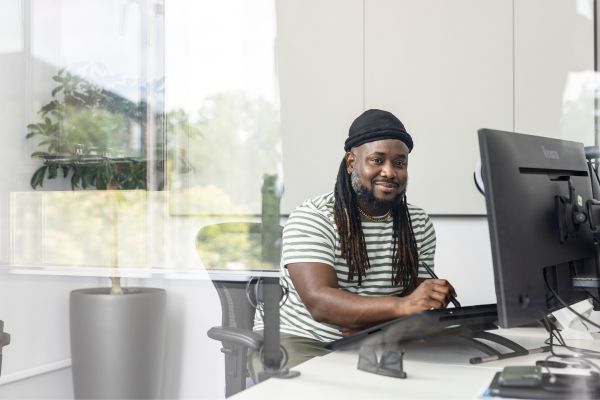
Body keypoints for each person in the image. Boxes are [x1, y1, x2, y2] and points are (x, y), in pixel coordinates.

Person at [250, 108, 456, 379]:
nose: (389, 172)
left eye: (400, 163)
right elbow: (320, 302)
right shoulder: (314, 217)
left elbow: (413, 297)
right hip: (303, 338)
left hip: (372, 336)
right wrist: (401, 307)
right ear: (351, 162)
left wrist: (431, 295)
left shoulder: (417, 222)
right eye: (377, 160)